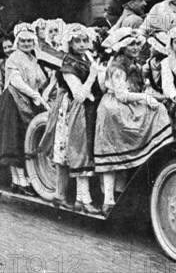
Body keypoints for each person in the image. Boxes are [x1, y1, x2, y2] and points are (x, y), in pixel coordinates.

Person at [94, 28, 173, 216]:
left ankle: (121, 197)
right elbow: (121, 94)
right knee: (113, 153)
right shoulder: (118, 67)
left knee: (159, 109)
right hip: (114, 109)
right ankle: (108, 201)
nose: (136, 47)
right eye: (131, 44)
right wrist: (146, 99)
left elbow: (141, 87)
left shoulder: (134, 64)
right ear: (122, 46)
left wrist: (159, 96)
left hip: (128, 106)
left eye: (138, 43)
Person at [39, 24, 104, 214]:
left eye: (85, 40)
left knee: (81, 152)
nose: (83, 44)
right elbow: (79, 94)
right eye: (77, 41)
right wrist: (93, 75)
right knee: (75, 151)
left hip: (88, 110)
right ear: (70, 43)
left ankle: (77, 198)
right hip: (73, 110)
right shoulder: (68, 64)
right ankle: (79, 199)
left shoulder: (86, 58)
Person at [0, 27, 47, 196]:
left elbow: (40, 80)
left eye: (29, 41)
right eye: (23, 41)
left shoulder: (33, 59)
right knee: (15, 140)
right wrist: (35, 94)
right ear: (18, 42)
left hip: (29, 99)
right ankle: (19, 180)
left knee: (26, 138)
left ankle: (22, 180)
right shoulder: (13, 58)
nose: (26, 44)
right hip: (14, 100)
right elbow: (16, 81)